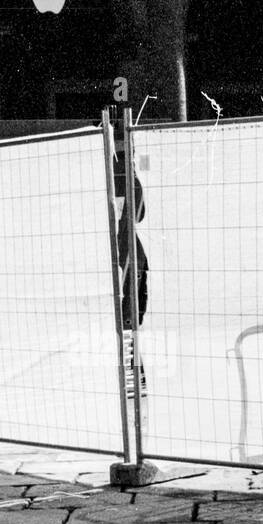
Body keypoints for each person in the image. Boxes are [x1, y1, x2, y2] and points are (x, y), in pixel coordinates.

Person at [112, 142, 148, 396]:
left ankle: (133, 380)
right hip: (133, 259)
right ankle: (135, 380)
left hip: (123, 260)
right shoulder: (128, 179)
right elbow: (140, 212)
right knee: (131, 322)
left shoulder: (106, 176)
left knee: (125, 323)